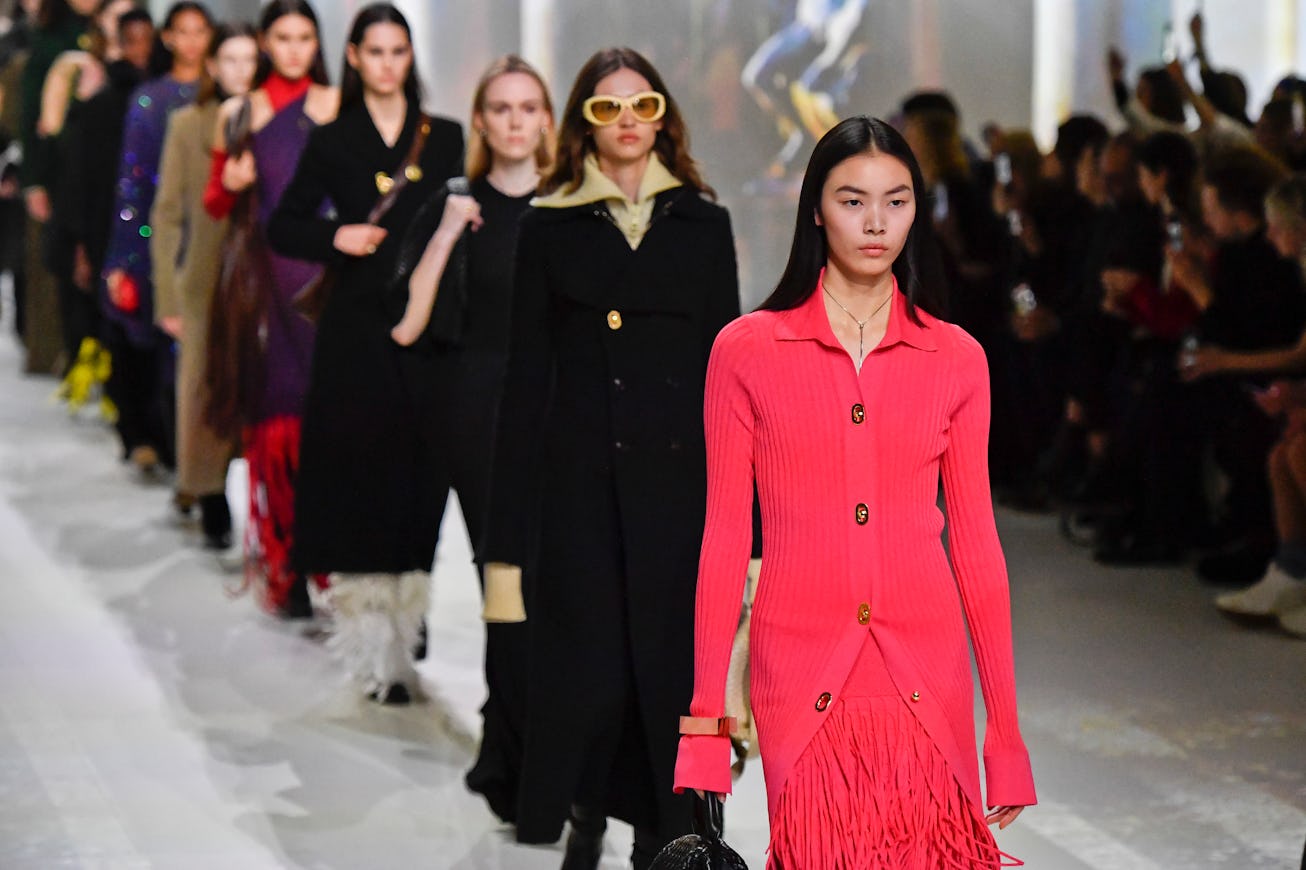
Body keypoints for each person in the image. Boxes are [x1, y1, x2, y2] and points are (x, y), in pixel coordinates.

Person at [672, 116, 1035, 867]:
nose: (876, 223)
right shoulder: (746, 352)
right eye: (852, 200)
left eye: (896, 201)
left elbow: (975, 544)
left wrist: (1004, 733)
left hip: (926, 668)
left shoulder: (956, 358)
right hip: (797, 663)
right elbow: (724, 539)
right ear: (815, 209)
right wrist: (706, 723)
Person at [480, 46, 742, 869]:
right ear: (582, 124)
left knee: (670, 685)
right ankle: (592, 805)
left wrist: (749, 524)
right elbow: (524, 385)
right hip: (579, 495)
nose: (626, 121)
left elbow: (725, 380)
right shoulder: (549, 227)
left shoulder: (705, 224)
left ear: (664, 116)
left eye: (642, 105)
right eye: (605, 108)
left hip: (677, 495)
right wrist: (506, 549)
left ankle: (663, 842)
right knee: (593, 682)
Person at [266, 2, 463, 697]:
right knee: (358, 478)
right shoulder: (335, 138)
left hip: (429, 330)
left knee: (419, 476)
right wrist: (337, 237)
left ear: (411, 59)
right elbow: (283, 226)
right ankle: (371, 644)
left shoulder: (443, 139)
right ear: (352, 57)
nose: (387, 64)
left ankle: (409, 628)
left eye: (398, 51)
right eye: (374, 51)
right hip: (354, 331)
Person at [390, 52, 553, 817]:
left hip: (555, 418)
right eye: (503, 108)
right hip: (477, 419)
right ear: (482, 122)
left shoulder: (570, 209)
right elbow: (406, 323)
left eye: (530, 107)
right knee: (506, 584)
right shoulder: (456, 202)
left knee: (548, 590)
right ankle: (510, 754)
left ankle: (535, 752)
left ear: (547, 121)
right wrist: (449, 230)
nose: (517, 121)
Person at [203, 0, 334, 618]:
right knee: (281, 422)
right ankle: (291, 565)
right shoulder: (241, 112)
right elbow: (214, 204)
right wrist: (229, 181)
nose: (293, 49)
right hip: (267, 281)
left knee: (331, 422)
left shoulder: (336, 107)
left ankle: (330, 560)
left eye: (304, 37)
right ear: (263, 42)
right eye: (282, 37)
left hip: (329, 277)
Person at [149, 21, 257, 550]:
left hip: (265, 279)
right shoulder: (188, 125)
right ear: (212, 66)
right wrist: (167, 294)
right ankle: (209, 494)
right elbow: (166, 212)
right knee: (203, 389)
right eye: (230, 60)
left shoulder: (278, 124)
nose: (241, 70)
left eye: (249, 59)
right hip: (203, 279)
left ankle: (261, 500)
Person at [100, 1, 213, 476]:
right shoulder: (150, 98)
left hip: (213, 233)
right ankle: (171, 451)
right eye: (181, 31)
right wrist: (124, 255)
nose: (190, 41)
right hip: (159, 234)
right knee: (162, 347)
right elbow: (133, 181)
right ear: (168, 37)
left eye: (199, 31)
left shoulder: (225, 96)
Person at [47, 3, 154, 416]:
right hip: (104, 222)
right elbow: (71, 163)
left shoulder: (167, 97)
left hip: (145, 224)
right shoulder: (96, 97)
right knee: (113, 313)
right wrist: (76, 238)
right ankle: (125, 408)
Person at [17, 0, 95, 374]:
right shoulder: (49, 37)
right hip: (57, 167)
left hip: (103, 164)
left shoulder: (112, 27)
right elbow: (30, 111)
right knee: (53, 262)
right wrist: (33, 180)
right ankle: (55, 353)